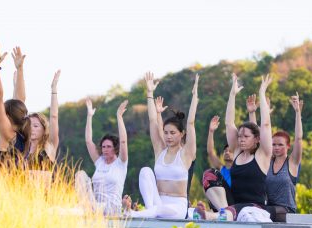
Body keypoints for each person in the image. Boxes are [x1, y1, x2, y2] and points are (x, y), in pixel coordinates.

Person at [197, 73, 273, 221]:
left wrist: (262, 93)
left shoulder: (262, 154)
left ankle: (210, 215)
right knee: (210, 174)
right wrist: (232, 94)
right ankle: (223, 213)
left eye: (246, 137)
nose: (241, 139)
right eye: (239, 136)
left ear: (256, 139)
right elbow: (229, 123)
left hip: (253, 207)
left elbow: (265, 124)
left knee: (235, 210)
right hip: (233, 206)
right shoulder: (237, 152)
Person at [123, 72, 198, 219]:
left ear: (182, 134)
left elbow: (190, 123)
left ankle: (131, 214)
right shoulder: (160, 151)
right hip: (157, 202)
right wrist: (150, 93)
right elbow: (152, 121)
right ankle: (149, 211)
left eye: (172, 133)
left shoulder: (186, 154)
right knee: (145, 171)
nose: (168, 136)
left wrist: (195, 95)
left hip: (177, 207)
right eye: (166, 133)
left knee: (159, 211)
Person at [82, 98, 129, 215]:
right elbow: (88, 141)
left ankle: (88, 209)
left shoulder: (121, 163)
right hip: (96, 205)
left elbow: (123, 141)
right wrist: (89, 116)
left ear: (115, 148)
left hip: (112, 208)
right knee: (80, 175)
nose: (105, 149)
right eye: (103, 147)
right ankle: (88, 208)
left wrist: (119, 117)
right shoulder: (100, 162)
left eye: (108, 146)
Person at [0, 42, 30, 165]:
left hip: (4, 184)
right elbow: (20, 101)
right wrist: (20, 69)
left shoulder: (8, 134)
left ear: (8, 117)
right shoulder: (22, 135)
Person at [264, 93, 304, 222]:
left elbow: (298, 138)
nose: (276, 147)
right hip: (268, 211)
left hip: (286, 212)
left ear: (288, 146)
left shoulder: (292, 162)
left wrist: (297, 112)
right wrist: (266, 114)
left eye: (280, 145)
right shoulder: (268, 162)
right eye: (274, 145)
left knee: (258, 210)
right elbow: (263, 132)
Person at [24, 70, 61, 172]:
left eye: (35, 126)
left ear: (44, 129)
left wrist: (53, 90)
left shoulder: (50, 146)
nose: (31, 129)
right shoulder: (23, 150)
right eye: (29, 126)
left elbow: (54, 117)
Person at [201, 115, 235, 210]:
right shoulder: (221, 168)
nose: (227, 152)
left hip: (235, 200)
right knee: (210, 174)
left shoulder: (240, 168)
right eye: (225, 151)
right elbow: (210, 152)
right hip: (222, 200)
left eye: (230, 151)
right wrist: (211, 131)